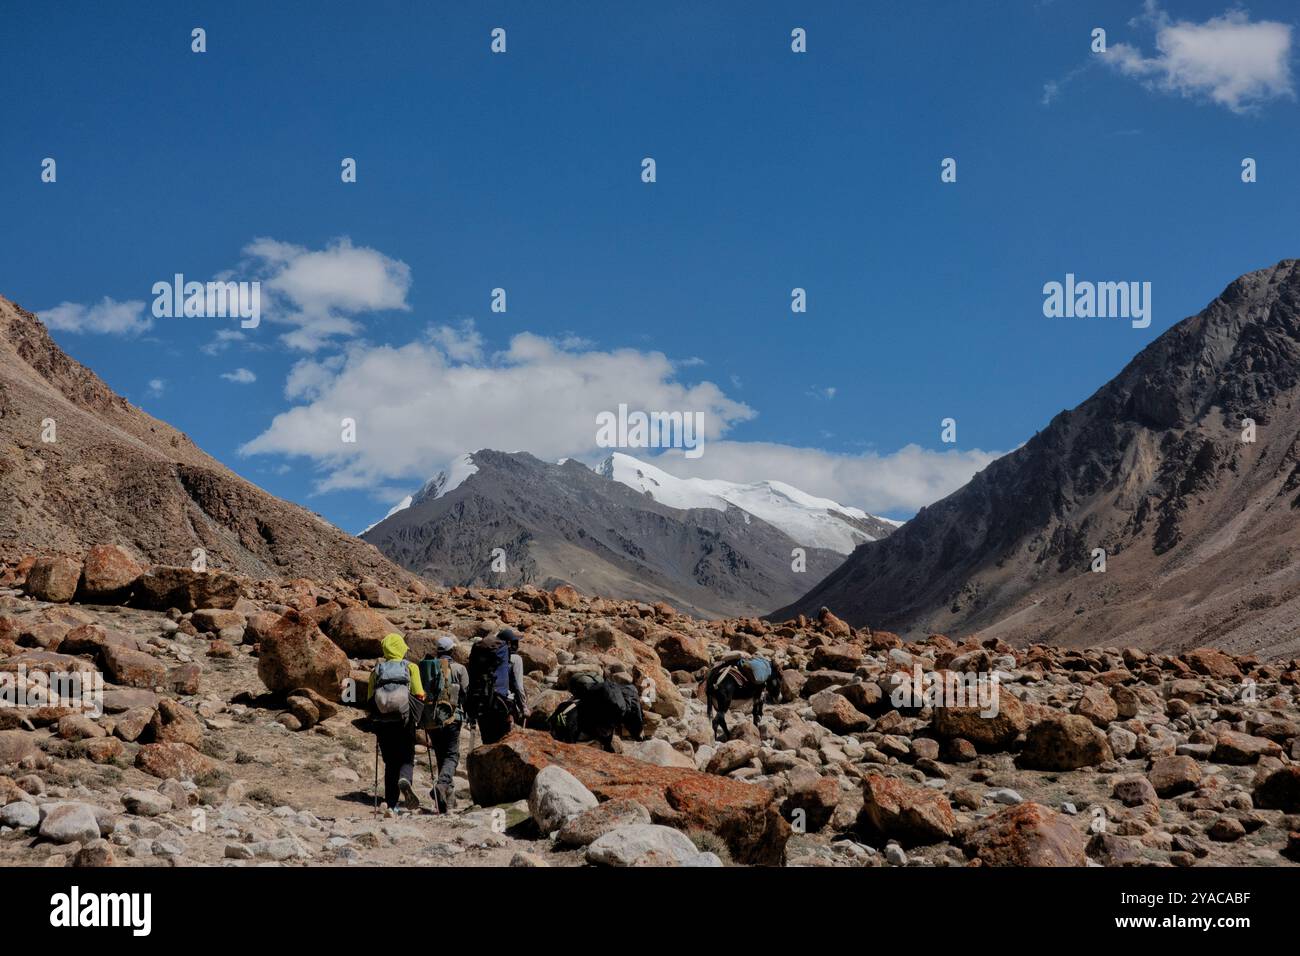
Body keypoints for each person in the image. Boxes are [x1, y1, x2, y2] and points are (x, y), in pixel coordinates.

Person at [367, 632, 424, 812]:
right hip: (404, 721)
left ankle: (391, 804)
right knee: (407, 756)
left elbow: (369, 699)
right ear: (401, 649)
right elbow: (419, 694)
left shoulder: (376, 670)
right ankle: (405, 778)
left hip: (383, 722)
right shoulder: (410, 667)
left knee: (390, 762)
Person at [418, 636, 469, 813]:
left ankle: (446, 802)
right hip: (452, 718)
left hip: (431, 719)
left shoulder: (428, 668)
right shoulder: (459, 668)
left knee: (441, 757)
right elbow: (465, 693)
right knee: (452, 756)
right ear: (452, 651)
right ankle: (441, 787)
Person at [467, 627, 530, 745]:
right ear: (509, 643)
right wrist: (524, 708)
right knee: (503, 741)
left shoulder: (484, 656)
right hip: (503, 704)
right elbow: (518, 686)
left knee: (487, 741)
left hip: (481, 702)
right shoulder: (515, 659)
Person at [548, 672, 643, 751]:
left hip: (584, 738)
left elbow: (563, 734)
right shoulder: (611, 701)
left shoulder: (571, 707)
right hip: (604, 730)